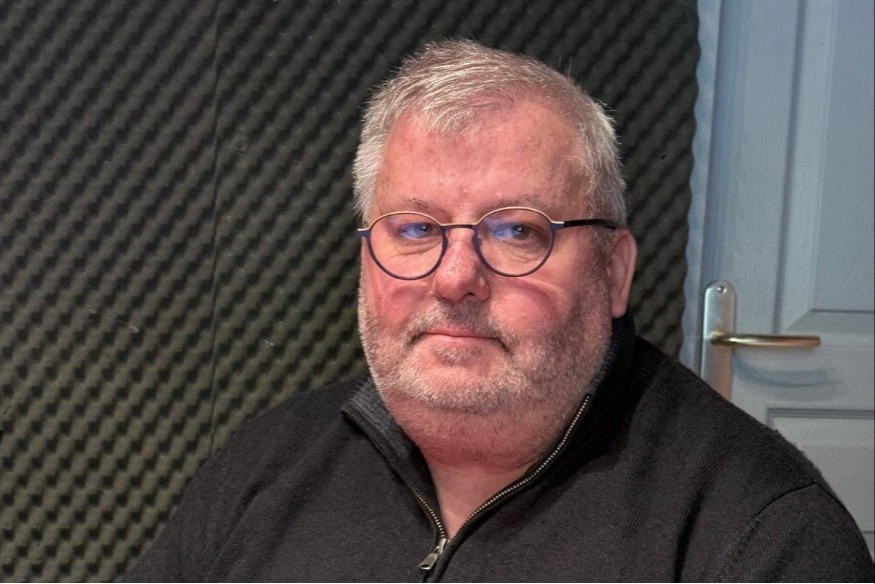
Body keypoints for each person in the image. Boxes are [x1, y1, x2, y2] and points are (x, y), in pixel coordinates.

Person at [123, 40, 873, 581]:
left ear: (613, 272)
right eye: (415, 229)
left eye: (516, 231)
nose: (456, 278)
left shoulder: (762, 538)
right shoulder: (267, 465)